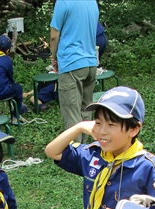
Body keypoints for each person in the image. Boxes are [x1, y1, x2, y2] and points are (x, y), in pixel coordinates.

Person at [50, 0, 99, 143]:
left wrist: (54, 56)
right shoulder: (92, 2)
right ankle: (85, 150)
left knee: (71, 113)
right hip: (91, 62)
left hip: (71, 63)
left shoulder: (64, 2)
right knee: (86, 110)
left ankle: (75, 156)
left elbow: (54, 35)